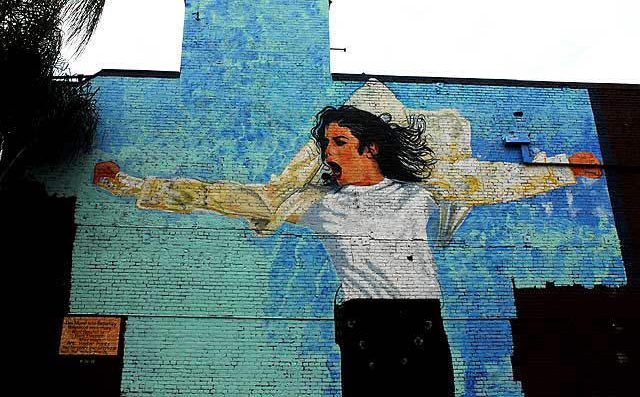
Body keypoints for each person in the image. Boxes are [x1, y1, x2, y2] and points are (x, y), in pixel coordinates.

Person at [93, 79, 601, 395]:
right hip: (364, 332)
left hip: (424, 327)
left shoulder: (422, 190)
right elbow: (215, 195)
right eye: (325, 143)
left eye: (339, 141)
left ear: (372, 146)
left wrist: (563, 172)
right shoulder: (316, 205)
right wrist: (130, 185)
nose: (328, 152)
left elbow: (492, 180)